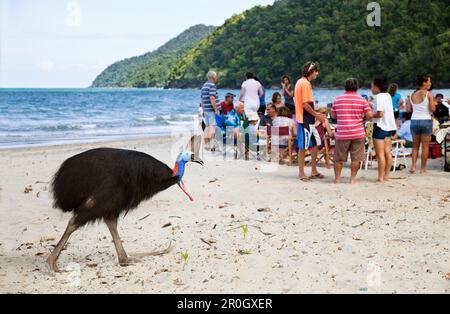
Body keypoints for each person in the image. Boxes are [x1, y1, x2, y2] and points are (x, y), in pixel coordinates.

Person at [331, 78, 373, 184]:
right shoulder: (362, 100)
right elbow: (369, 115)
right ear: (357, 87)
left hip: (342, 133)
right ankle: (352, 179)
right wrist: (362, 120)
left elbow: (333, 115)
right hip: (358, 133)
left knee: (338, 159)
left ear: (345, 87)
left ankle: (337, 180)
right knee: (356, 158)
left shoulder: (337, 99)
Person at [294, 61, 326, 182]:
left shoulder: (300, 82)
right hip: (304, 120)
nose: (317, 74)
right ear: (311, 72)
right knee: (303, 146)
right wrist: (317, 115)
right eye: (316, 71)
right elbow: (305, 104)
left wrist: (315, 115)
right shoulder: (305, 83)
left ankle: (313, 170)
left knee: (315, 143)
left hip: (307, 119)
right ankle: (301, 173)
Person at [407, 75, 436, 174]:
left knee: (415, 146)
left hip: (414, 120)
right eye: (429, 81)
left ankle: (413, 167)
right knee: (425, 146)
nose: (430, 83)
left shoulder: (411, 94)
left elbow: (408, 110)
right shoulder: (428, 94)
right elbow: (433, 109)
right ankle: (423, 169)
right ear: (424, 83)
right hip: (425, 120)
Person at [372, 78, 397, 183]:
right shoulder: (388, 96)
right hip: (389, 127)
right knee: (388, 153)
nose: (371, 88)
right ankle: (386, 176)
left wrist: (369, 116)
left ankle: (380, 177)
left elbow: (380, 114)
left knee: (380, 154)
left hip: (380, 126)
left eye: (372, 86)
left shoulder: (378, 97)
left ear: (377, 87)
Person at [201, 71, 220, 151]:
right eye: (216, 76)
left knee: (207, 127)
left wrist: (203, 109)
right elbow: (212, 98)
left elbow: (201, 99)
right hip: (211, 110)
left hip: (205, 109)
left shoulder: (204, 86)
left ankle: (206, 145)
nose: (216, 78)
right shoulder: (212, 86)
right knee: (212, 127)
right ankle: (212, 145)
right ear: (213, 77)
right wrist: (216, 109)